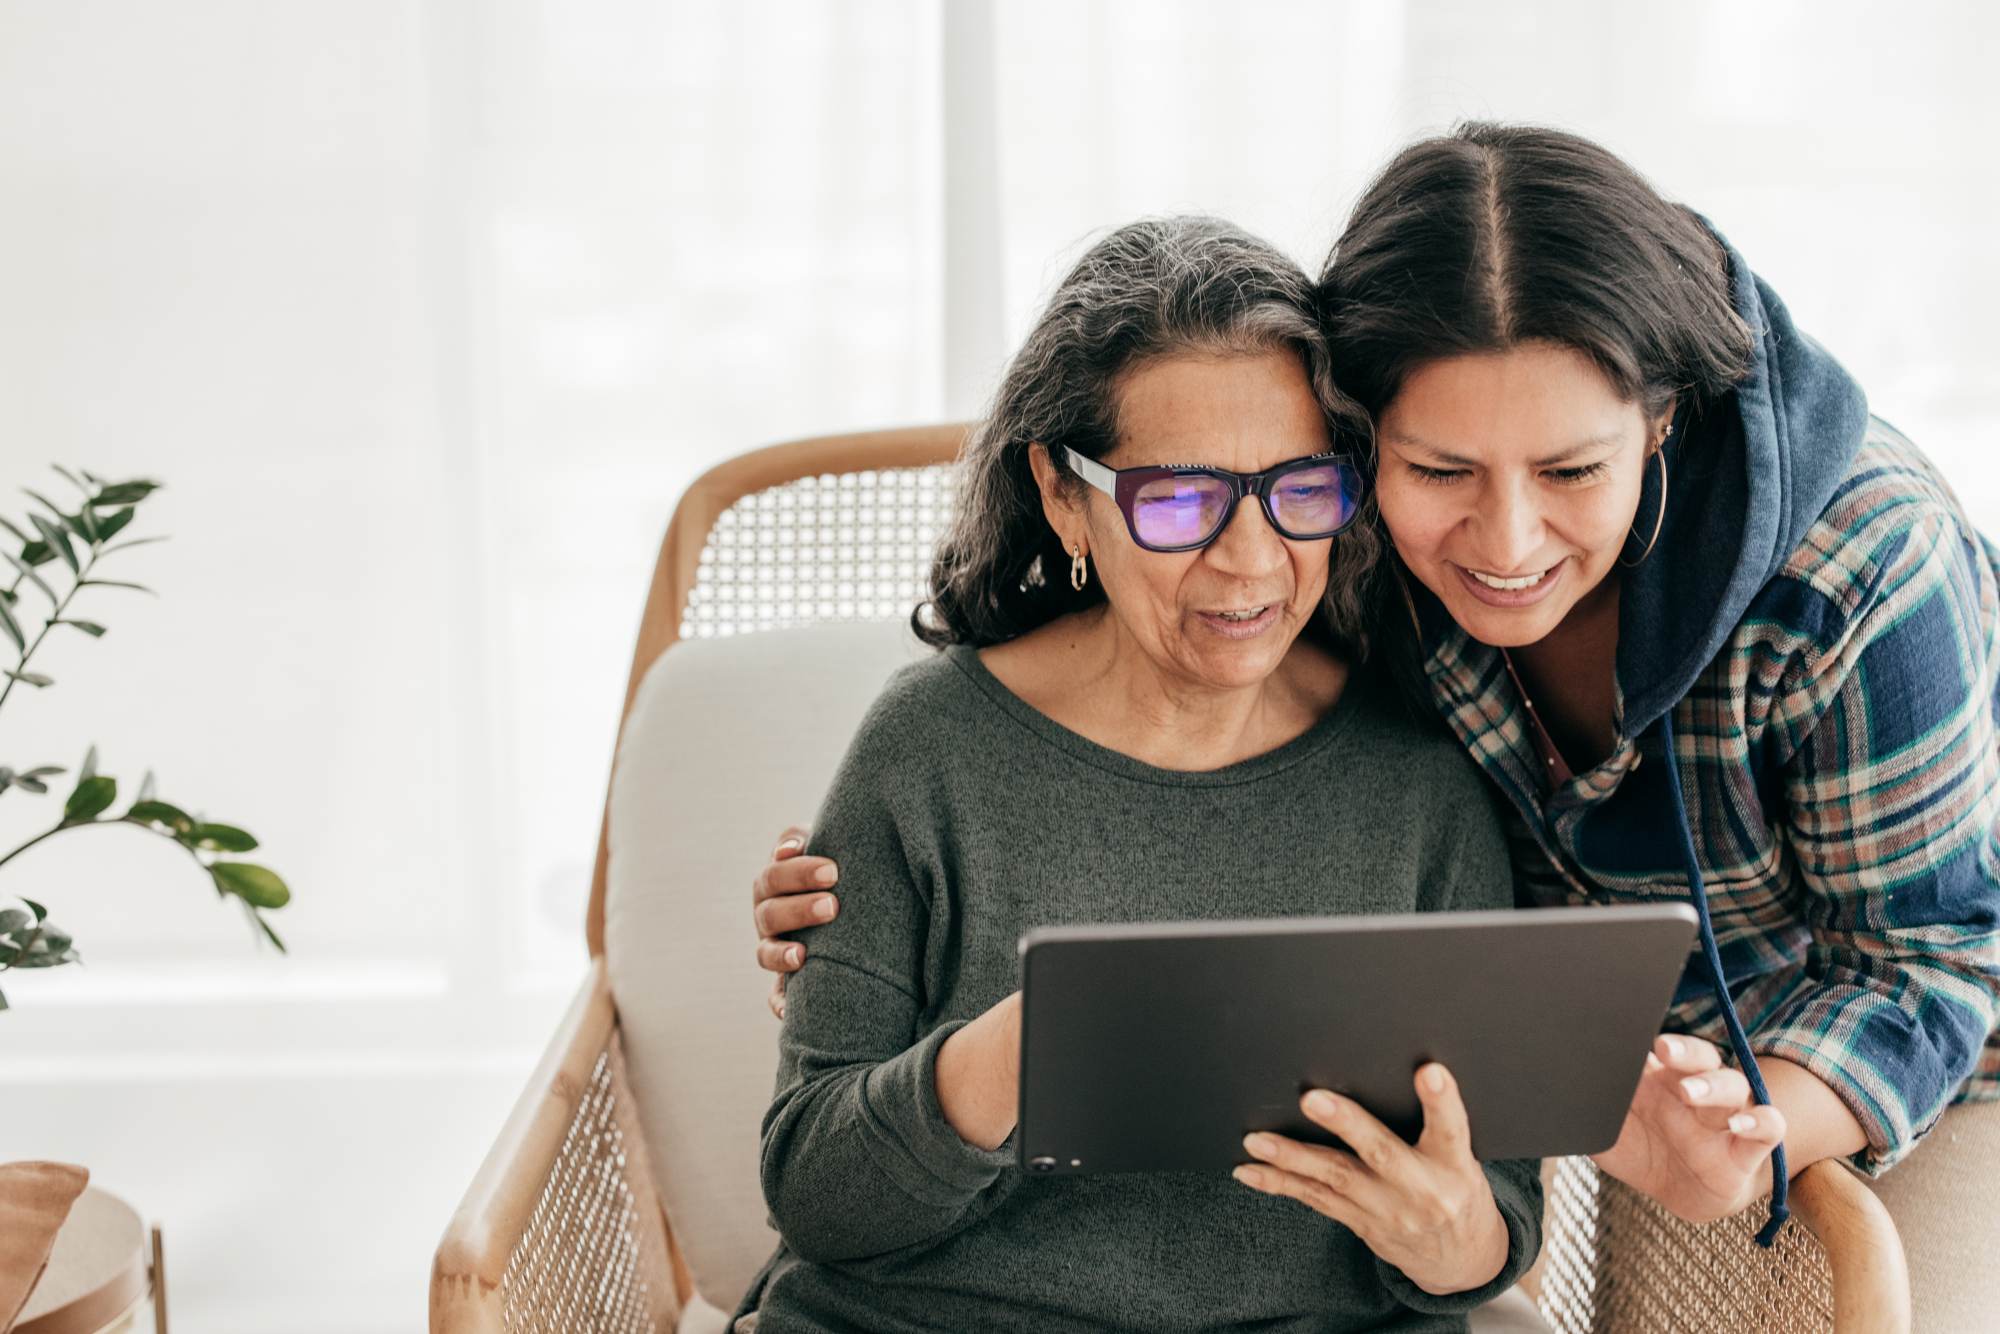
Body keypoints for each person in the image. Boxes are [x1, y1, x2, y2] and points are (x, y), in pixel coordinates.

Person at [755, 124, 2000, 1239]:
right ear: (1363, 443)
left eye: (1570, 470)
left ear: (1659, 422)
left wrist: (1760, 1135)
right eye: (1439, 468)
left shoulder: (1859, 573)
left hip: (1896, 1058)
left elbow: (1937, 953)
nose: (1503, 545)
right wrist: (877, 931)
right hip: (1604, 1060)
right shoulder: (1337, 551)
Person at [739, 217, 1545, 1334]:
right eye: (1176, 501)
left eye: (1299, 488)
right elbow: (814, 1191)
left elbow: (1496, 1208)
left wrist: (1454, 1239)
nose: (1250, 560)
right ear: (1065, 496)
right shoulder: (929, 744)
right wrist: (1017, 1056)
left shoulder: (1418, 774)